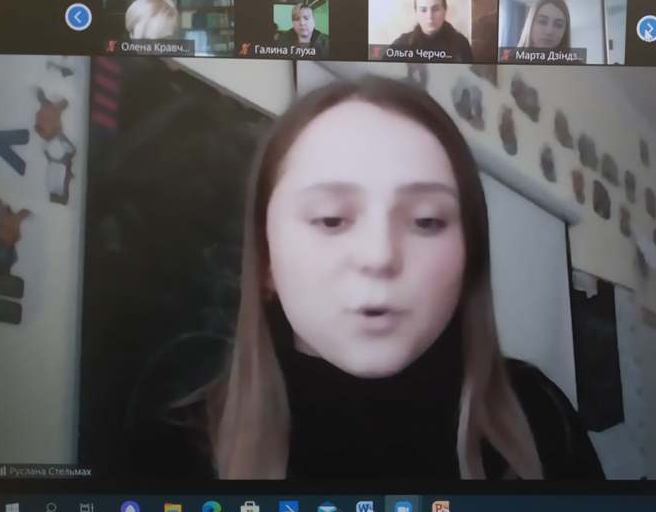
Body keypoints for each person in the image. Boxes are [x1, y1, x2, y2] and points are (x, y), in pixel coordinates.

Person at [127, 76, 603, 481]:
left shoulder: (541, 418)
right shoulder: (171, 455)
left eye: (426, 221)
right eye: (332, 219)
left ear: (469, 257)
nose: (379, 257)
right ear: (266, 259)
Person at [390, 0, 473, 63]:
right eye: (423, 10)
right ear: (416, 13)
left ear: (445, 10)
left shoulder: (461, 43)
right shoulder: (401, 44)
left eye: (435, 9)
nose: (429, 16)